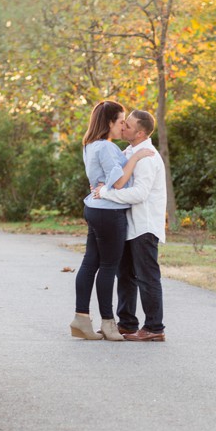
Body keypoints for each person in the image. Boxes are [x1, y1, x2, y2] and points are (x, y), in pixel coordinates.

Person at [70, 101, 154, 341]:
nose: (123, 126)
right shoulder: (106, 147)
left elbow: (101, 180)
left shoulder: (89, 145)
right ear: (109, 123)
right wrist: (136, 157)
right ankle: (108, 323)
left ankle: (81, 319)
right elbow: (117, 183)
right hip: (109, 212)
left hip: (94, 209)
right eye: (120, 121)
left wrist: (105, 183)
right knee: (108, 266)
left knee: (90, 264)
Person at [93, 110, 167, 342]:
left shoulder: (147, 157)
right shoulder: (130, 151)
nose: (123, 127)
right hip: (128, 225)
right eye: (123, 123)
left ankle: (154, 327)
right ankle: (127, 323)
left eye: (128, 125)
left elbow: (139, 194)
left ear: (141, 132)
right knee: (124, 275)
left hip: (144, 226)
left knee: (147, 277)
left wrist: (105, 193)